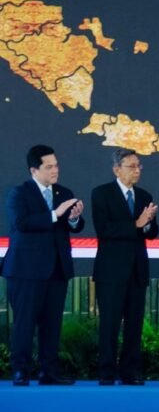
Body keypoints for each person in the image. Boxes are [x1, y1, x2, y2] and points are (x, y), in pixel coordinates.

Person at [2, 144, 85, 386]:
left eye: (56, 165)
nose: (55, 170)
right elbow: (22, 223)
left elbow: (74, 227)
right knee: (25, 323)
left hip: (56, 269)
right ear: (34, 170)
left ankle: (49, 372)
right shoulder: (19, 193)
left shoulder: (64, 192)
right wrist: (55, 214)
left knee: (52, 324)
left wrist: (74, 218)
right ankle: (20, 371)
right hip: (26, 271)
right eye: (49, 167)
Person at [92, 148, 159, 385]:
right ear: (116, 170)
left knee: (134, 324)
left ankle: (130, 371)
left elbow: (152, 232)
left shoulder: (144, 195)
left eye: (139, 166)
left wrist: (147, 224)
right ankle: (107, 371)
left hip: (137, 270)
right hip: (110, 271)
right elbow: (104, 230)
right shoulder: (102, 194)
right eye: (131, 166)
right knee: (110, 323)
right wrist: (136, 224)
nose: (137, 170)